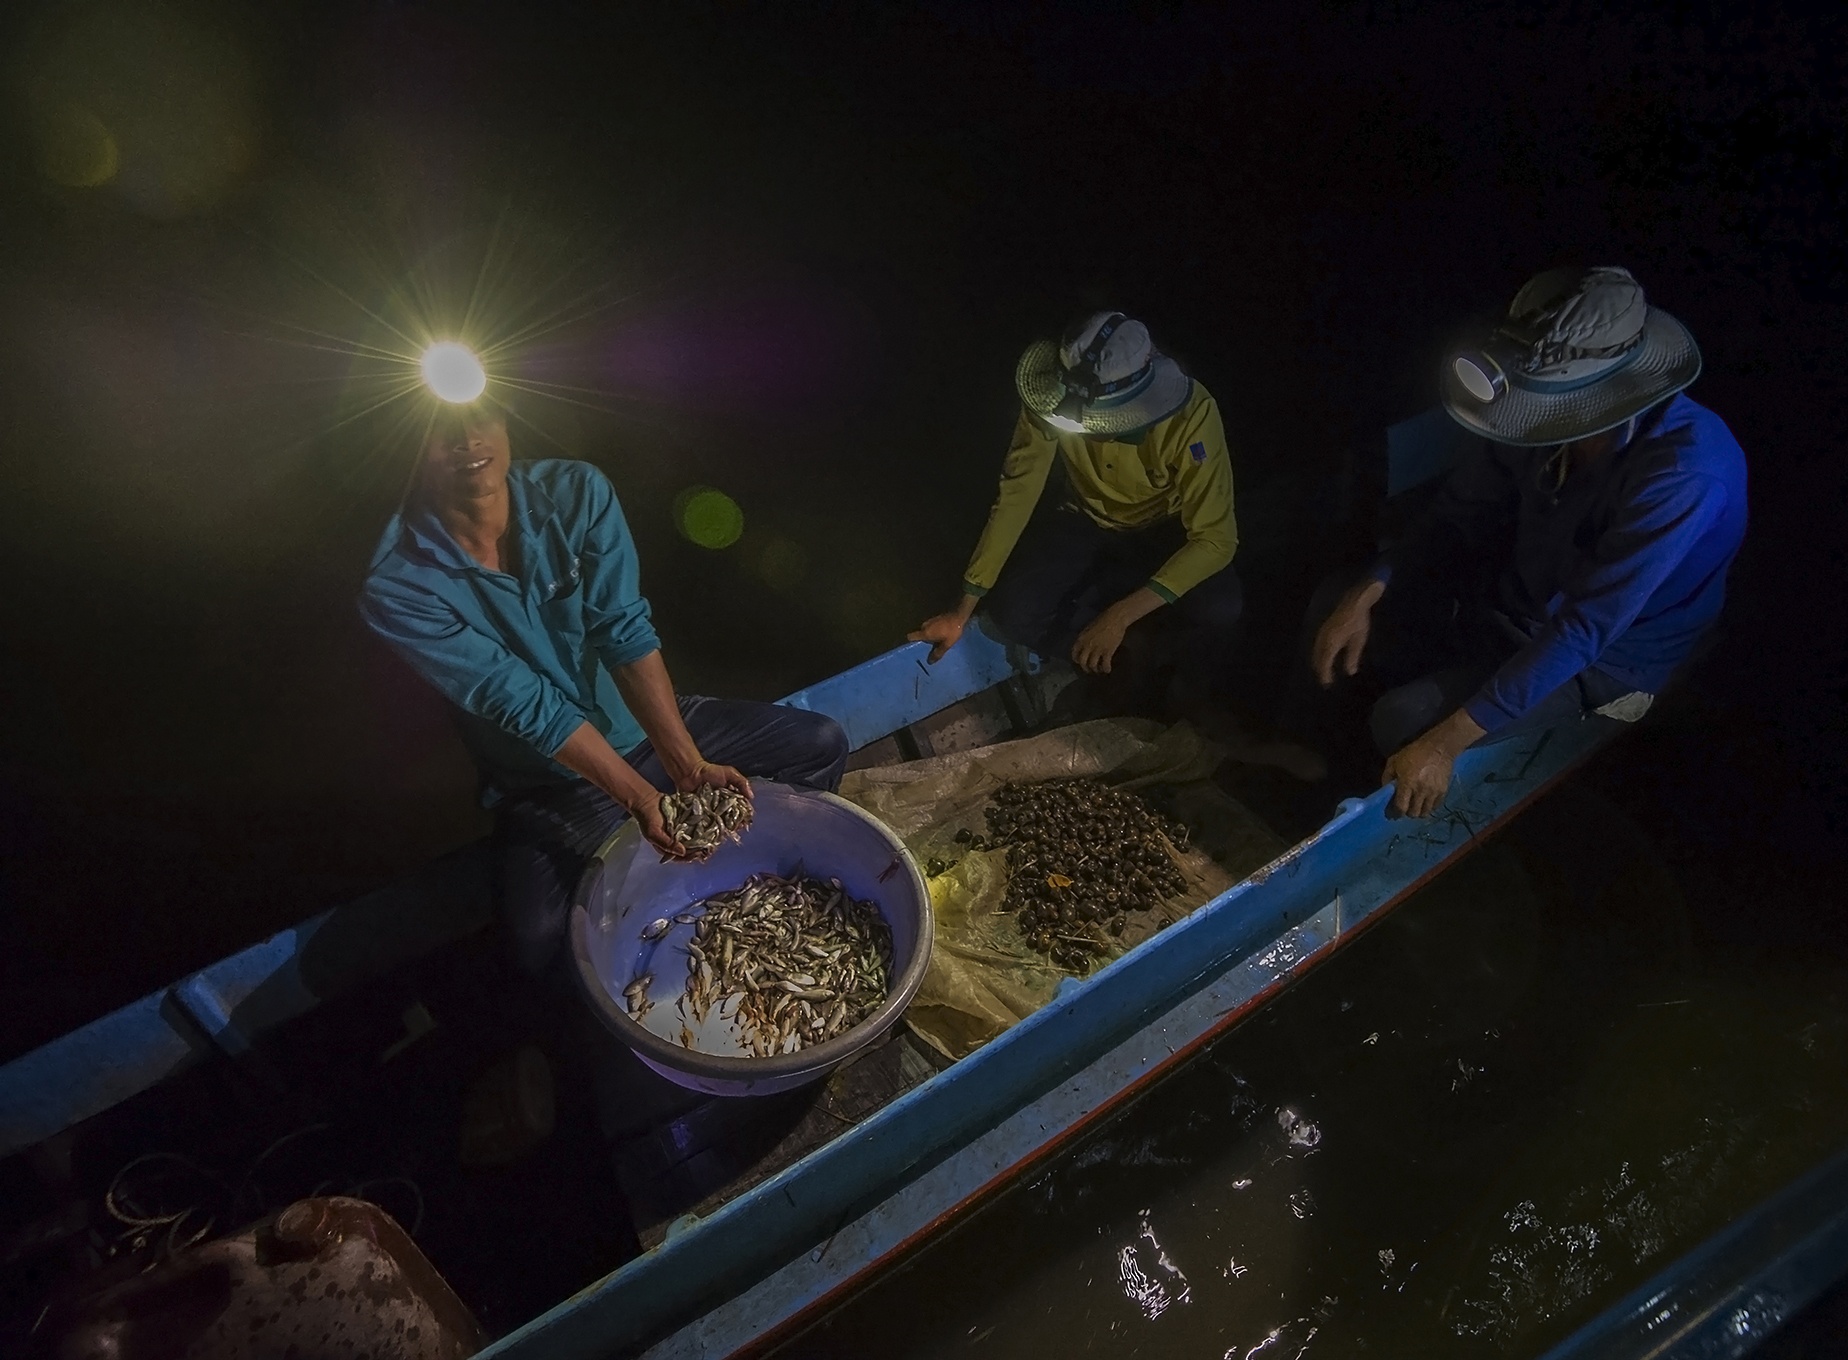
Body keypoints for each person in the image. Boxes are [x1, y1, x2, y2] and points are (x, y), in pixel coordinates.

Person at [359, 397, 848, 977]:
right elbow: (525, 704)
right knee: (538, 939)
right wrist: (641, 799)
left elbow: (623, 630)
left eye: (481, 415)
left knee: (819, 742)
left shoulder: (575, 494)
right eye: (441, 430)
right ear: (409, 449)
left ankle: (759, 872)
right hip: (548, 778)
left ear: (506, 421)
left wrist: (687, 765)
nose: (468, 438)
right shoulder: (397, 584)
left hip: (645, 729)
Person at [1308, 266, 1748, 818]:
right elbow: (1458, 514)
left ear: (1608, 387)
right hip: (1517, 596)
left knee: (1402, 720)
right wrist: (1372, 586)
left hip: (1608, 655)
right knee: (1338, 602)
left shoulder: (1686, 474)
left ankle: (1378, 829)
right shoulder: (1528, 408)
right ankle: (1318, 772)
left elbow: (1585, 627)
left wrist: (1443, 743)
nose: (1525, 410)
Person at [909, 312, 1240, 704]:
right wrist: (961, 610)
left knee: (1221, 608)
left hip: (1163, 526)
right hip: (1085, 516)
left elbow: (1216, 540)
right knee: (1016, 613)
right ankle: (1121, 659)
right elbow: (1017, 492)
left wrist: (1119, 615)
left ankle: (1182, 682)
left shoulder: (1194, 414)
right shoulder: (1050, 395)